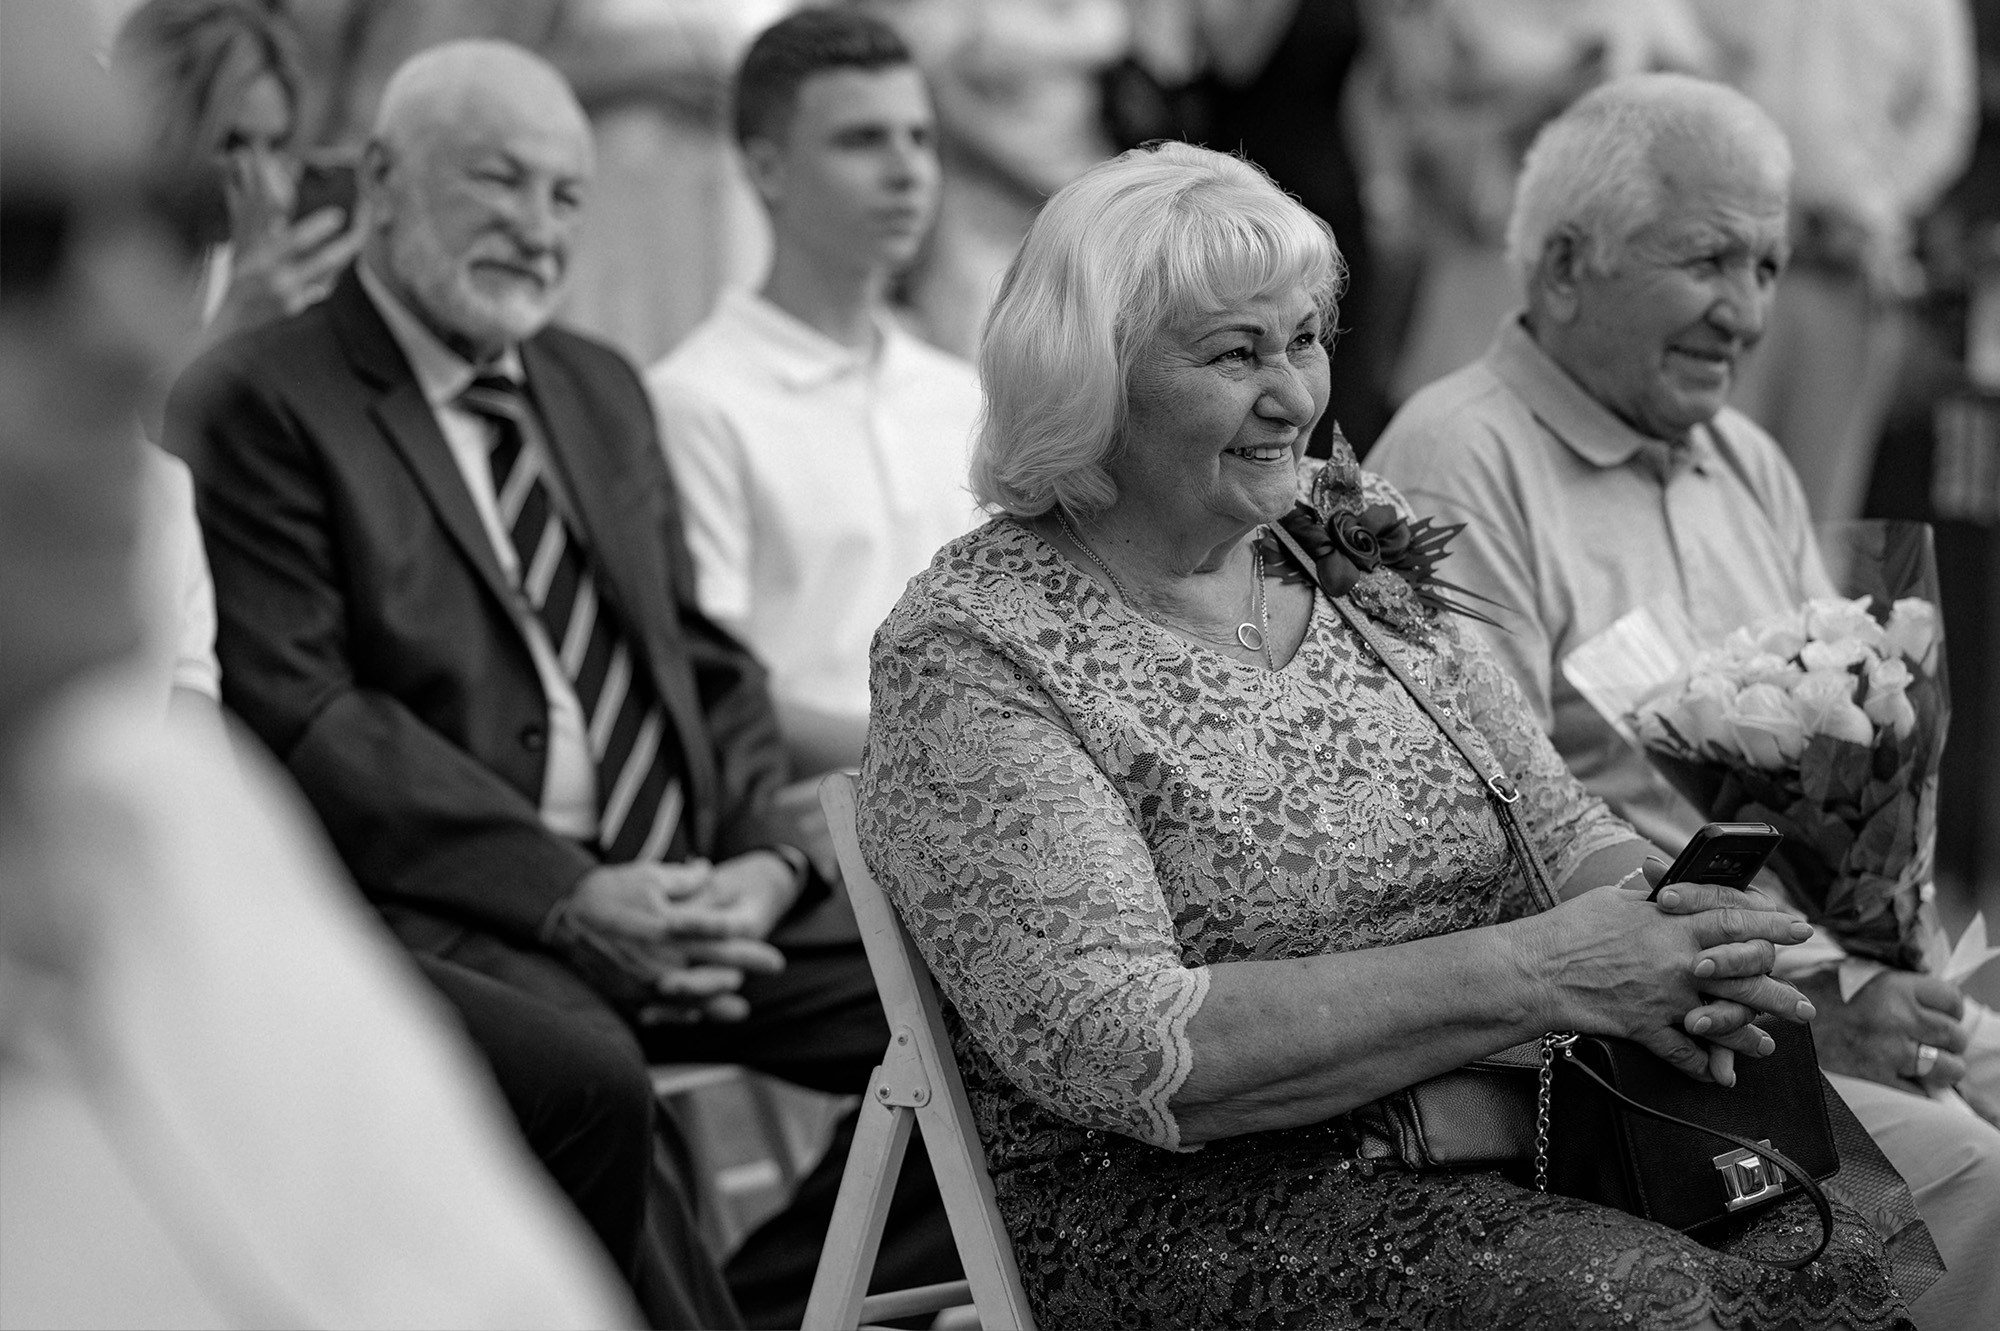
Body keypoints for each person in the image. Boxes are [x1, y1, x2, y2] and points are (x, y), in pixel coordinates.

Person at [856, 137, 1909, 1328]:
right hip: (1203, 1198)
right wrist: (1548, 971)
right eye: (1233, 354)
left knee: (1826, 1246)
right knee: (1643, 1304)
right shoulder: (977, 643)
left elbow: (1551, 819)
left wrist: (1683, 939)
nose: (1294, 396)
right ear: (1085, 379)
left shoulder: (1341, 533)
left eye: (1302, 339)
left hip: (1510, 1118)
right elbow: (1126, 1043)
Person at [166, 38, 956, 1328]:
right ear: (381, 177)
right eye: (498, 182)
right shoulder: (259, 396)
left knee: (987, 998)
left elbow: (699, 655)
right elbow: (312, 719)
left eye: (566, 195)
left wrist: (764, 853)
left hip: (694, 883)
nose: (538, 229)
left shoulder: (593, 384)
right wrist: (572, 893)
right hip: (469, 897)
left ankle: (766, 1306)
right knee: (589, 1077)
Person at [0, 5, 635, 1325]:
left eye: (169, 220)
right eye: (23, 245)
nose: (134, 332)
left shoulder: (166, 822)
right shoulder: (280, 404)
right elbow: (324, 708)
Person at [1369, 73, 2000, 1329]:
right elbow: (1486, 843)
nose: (1749, 311)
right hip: (1640, 1050)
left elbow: (1832, 764)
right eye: (1709, 259)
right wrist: (1819, 996)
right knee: (1982, 1181)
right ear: (1560, 265)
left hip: (1807, 997)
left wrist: (1880, 958)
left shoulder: (1741, 457)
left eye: (1767, 264)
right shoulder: (1454, 461)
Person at [647, 7, 983, 789]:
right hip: (814, 834)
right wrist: (948, 763)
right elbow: (715, 686)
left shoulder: (961, 391)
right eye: (861, 140)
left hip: (995, 815)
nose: (907, 171)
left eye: (921, 138)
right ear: (766, 169)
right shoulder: (693, 400)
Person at [1686, 0, 1977, 525]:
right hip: (1723, 260)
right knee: (1699, 492)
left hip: (1841, 269)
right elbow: (1676, 51)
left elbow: (1946, 114)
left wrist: (1875, 205)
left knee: (1813, 515)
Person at [112, 0, 368, 359]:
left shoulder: (222, 264)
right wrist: (235, 324)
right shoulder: (71, 257)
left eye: (276, 147)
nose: (268, 185)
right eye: (232, 144)